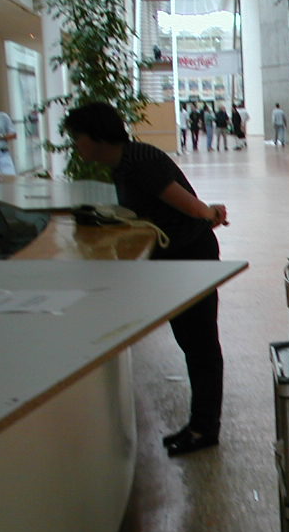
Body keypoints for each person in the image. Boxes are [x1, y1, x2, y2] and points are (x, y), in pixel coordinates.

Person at [63, 102, 230, 457]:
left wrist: (212, 213)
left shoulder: (139, 161)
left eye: (78, 136)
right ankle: (200, 424)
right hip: (177, 257)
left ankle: (204, 428)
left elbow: (190, 205)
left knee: (200, 344)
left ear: (96, 136)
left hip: (190, 256)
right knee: (192, 342)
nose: (76, 144)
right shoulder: (123, 162)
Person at [0, 97, 17, 176]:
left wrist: (0, 137)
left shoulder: (3, 117)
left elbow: (14, 135)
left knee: (10, 176)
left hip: (2, 152)